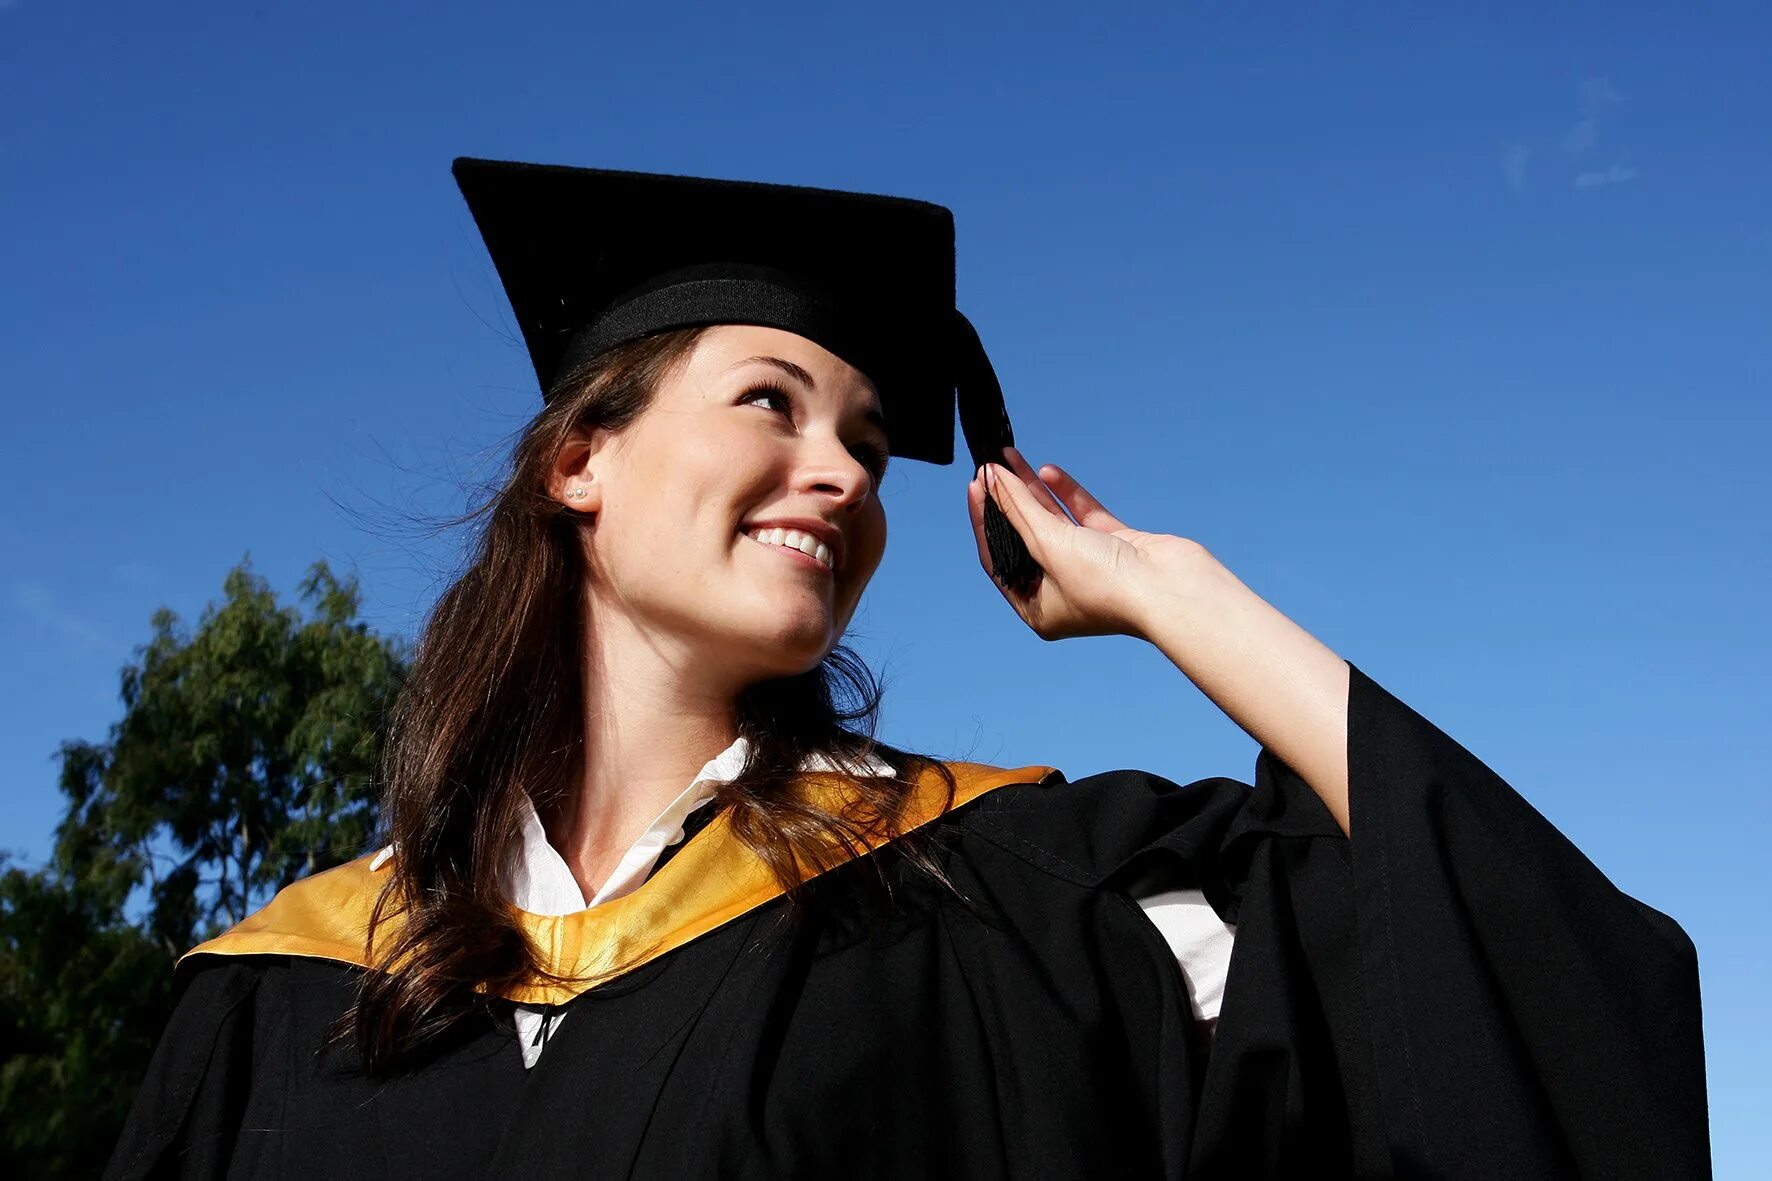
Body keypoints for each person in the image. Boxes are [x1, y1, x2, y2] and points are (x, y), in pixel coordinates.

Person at [104, 158, 1710, 1180]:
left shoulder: (997, 890)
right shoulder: (292, 989)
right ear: (579, 461)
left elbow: (1531, 963)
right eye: (772, 404)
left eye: (869, 445)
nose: (843, 474)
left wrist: (1173, 591)